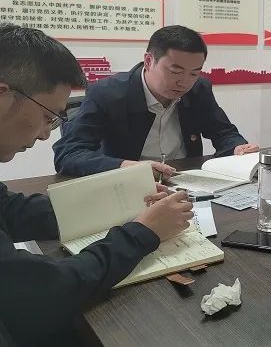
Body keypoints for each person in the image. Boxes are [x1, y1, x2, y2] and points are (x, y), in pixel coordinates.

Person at [0, 24, 194, 345]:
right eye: (48, 116)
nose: (46, 134)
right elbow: (46, 291)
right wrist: (143, 233)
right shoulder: (111, 92)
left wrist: (126, 200)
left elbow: (13, 211)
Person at [53, 25, 258, 178]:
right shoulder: (108, 93)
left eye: (194, 73)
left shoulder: (198, 89)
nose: (184, 82)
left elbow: (224, 133)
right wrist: (126, 167)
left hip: (184, 181)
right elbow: (69, 154)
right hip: (129, 185)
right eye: (175, 71)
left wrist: (238, 148)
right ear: (149, 61)